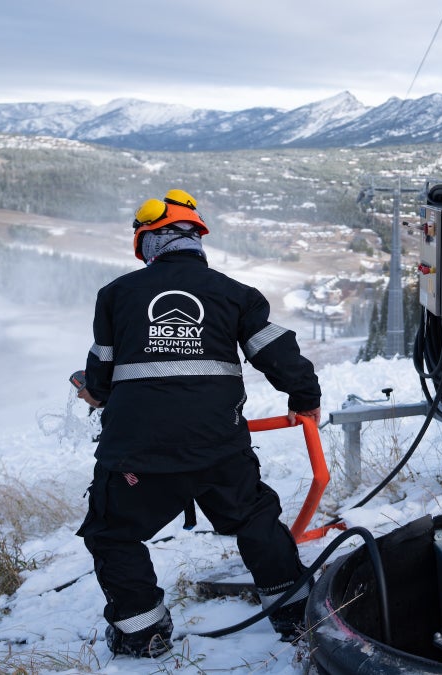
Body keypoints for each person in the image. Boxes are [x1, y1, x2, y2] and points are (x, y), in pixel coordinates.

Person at [75, 189, 322, 659]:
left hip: (135, 455)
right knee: (254, 520)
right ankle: (295, 618)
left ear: (148, 243)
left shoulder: (115, 296)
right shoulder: (236, 294)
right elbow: (279, 355)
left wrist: (92, 388)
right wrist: (305, 400)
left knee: (112, 533)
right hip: (219, 448)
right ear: (197, 240)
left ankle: (141, 634)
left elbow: (101, 379)